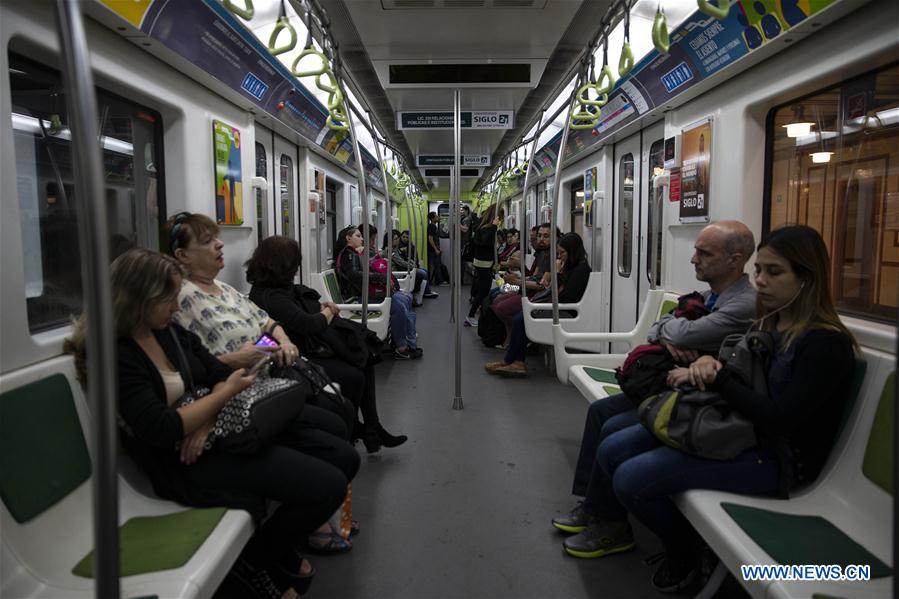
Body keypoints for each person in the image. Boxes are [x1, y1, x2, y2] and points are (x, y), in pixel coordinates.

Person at [573, 225, 858, 593]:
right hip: (740, 431)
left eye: (775, 272)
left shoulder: (824, 345)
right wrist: (709, 368)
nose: (761, 281)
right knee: (613, 447)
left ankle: (688, 552)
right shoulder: (770, 322)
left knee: (631, 478)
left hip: (776, 459)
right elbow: (741, 377)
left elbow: (779, 419)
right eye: (759, 271)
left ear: (807, 279)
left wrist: (720, 376)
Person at [67, 248, 360, 599]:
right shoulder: (118, 356)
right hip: (183, 461)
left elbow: (218, 371)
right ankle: (258, 559)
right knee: (327, 484)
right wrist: (220, 399)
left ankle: (272, 554)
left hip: (213, 432)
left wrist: (207, 417)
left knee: (343, 456)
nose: (176, 308)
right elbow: (162, 428)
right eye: (167, 300)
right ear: (137, 301)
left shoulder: (167, 332)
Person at [554, 221, 758, 561]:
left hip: (696, 395)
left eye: (704, 253)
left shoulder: (743, 305)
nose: (693, 259)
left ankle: (613, 525)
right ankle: (593, 507)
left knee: (613, 429)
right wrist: (672, 333)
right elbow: (659, 330)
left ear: (735, 260)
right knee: (600, 411)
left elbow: (679, 334)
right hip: (674, 382)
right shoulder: (713, 296)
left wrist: (675, 334)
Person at [163, 212, 354, 554]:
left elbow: (265, 323)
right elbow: (198, 367)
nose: (220, 244)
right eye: (207, 241)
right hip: (238, 401)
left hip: (268, 389)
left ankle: (319, 515)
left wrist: (281, 340)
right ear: (182, 255)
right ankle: (280, 549)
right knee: (336, 435)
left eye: (217, 238)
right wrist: (249, 356)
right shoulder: (179, 300)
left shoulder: (224, 289)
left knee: (339, 423)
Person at [247, 235, 408, 454]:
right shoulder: (270, 296)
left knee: (364, 355)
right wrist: (329, 310)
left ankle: (371, 427)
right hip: (298, 355)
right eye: (293, 264)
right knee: (355, 374)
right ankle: (351, 431)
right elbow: (309, 324)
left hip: (309, 345)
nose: (296, 269)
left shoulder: (278, 288)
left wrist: (319, 309)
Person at [485, 232, 591, 377]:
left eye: (562, 253)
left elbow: (565, 297)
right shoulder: (567, 265)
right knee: (514, 313)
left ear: (572, 251)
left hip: (568, 311)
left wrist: (558, 274)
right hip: (555, 305)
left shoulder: (581, 271)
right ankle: (511, 361)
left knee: (521, 319)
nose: (560, 257)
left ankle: (515, 362)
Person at [334, 225, 422, 360]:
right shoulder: (348, 254)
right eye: (358, 236)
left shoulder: (354, 253)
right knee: (397, 307)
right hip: (356, 300)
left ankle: (404, 341)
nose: (362, 239)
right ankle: (401, 348)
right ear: (348, 238)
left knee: (400, 301)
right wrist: (381, 278)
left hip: (363, 295)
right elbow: (355, 275)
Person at [465, 204, 503, 327]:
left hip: (483, 262)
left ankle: (478, 312)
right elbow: (486, 243)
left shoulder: (482, 226)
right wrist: (494, 227)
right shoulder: (488, 228)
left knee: (484, 290)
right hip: (484, 263)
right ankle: (470, 316)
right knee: (484, 291)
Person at [386, 229, 438, 299]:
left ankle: (425, 292)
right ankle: (424, 292)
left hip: (404, 268)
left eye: (398, 238)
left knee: (424, 271)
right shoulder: (392, 251)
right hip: (400, 272)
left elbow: (407, 258)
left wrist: (413, 264)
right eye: (396, 239)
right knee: (422, 273)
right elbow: (401, 262)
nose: (399, 240)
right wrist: (413, 266)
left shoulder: (399, 248)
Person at [426, 212, 445, 286]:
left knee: (438, 264)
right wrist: (435, 249)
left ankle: (438, 281)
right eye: (436, 216)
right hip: (433, 250)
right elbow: (430, 238)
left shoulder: (434, 226)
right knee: (437, 265)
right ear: (433, 218)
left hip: (435, 249)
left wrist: (438, 248)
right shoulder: (432, 226)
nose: (438, 217)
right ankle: (440, 281)